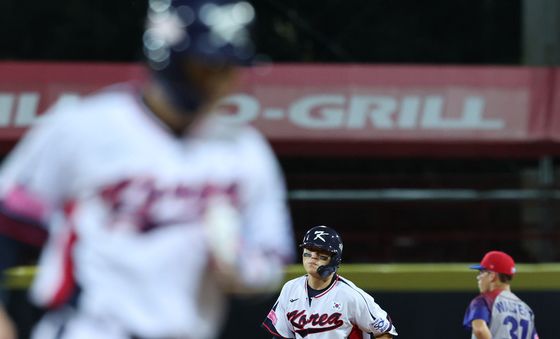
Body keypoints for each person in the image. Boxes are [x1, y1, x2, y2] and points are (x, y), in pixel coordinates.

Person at [0, 0, 295, 338]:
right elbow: (5, 220)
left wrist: (244, 269)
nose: (221, 81)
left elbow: (272, 255)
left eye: (229, 68)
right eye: (208, 65)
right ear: (168, 58)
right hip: (91, 328)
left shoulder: (246, 152)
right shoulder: (85, 128)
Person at [262, 225, 397, 338]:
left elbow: (384, 331)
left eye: (321, 253)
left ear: (334, 259)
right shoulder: (290, 289)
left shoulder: (350, 295)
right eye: (309, 250)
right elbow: (281, 335)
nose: (313, 257)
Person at [463, 250, 539, 339]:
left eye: (481, 272)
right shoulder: (526, 309)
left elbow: (480, 330)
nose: (478, 277)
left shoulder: (483, 300)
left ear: (492, 275)